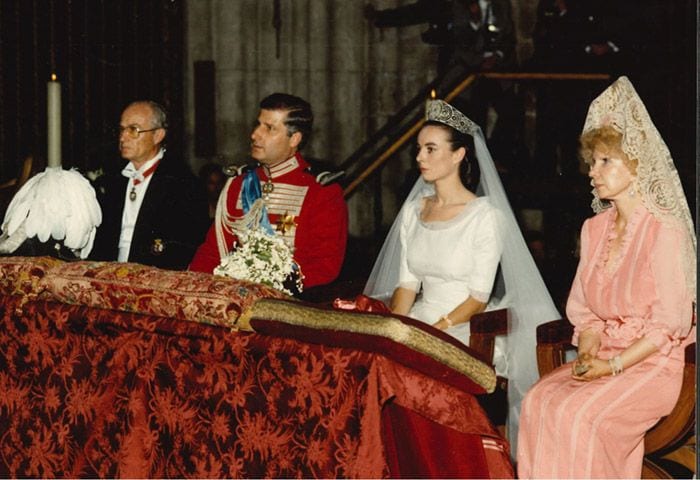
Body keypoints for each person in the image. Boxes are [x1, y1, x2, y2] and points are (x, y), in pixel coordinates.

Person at [516, 77, 696, 478]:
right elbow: (585, 312)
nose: (592, 172)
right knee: (537, 402)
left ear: (636, 164)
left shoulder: (665, 231)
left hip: (655, 364)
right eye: (592, 162)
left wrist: (614, 366)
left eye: (605, 161)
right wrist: (587, 353)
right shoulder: (593, 228)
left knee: (583, 417)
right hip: (605, 354)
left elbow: (671, 322)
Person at [364, 99, 560, 450]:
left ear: (458, 155)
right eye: (419, 149)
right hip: (421, 317)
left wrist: (434, 331)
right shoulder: (414, 212)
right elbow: (407, 285)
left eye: (430, 149)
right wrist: (394, 329)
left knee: (421, 372)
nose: (420, 157)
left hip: (464, 324)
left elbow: (477, 298)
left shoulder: (485, 217)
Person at [189, 93, 348, 290]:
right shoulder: (238, 183)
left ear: (294, 139)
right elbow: (212, 252)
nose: (255, 134)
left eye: (269, 128)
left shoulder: (320, 191)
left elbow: (325, 267)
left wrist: (264, 283)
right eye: (257, 124)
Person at [91, 101, 210, 270]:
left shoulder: (183, 184)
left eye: (133, 130)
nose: (122, 137)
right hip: (109, 275)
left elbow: (184, 248)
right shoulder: (114, 179)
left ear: (158, 136)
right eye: (122, 129)